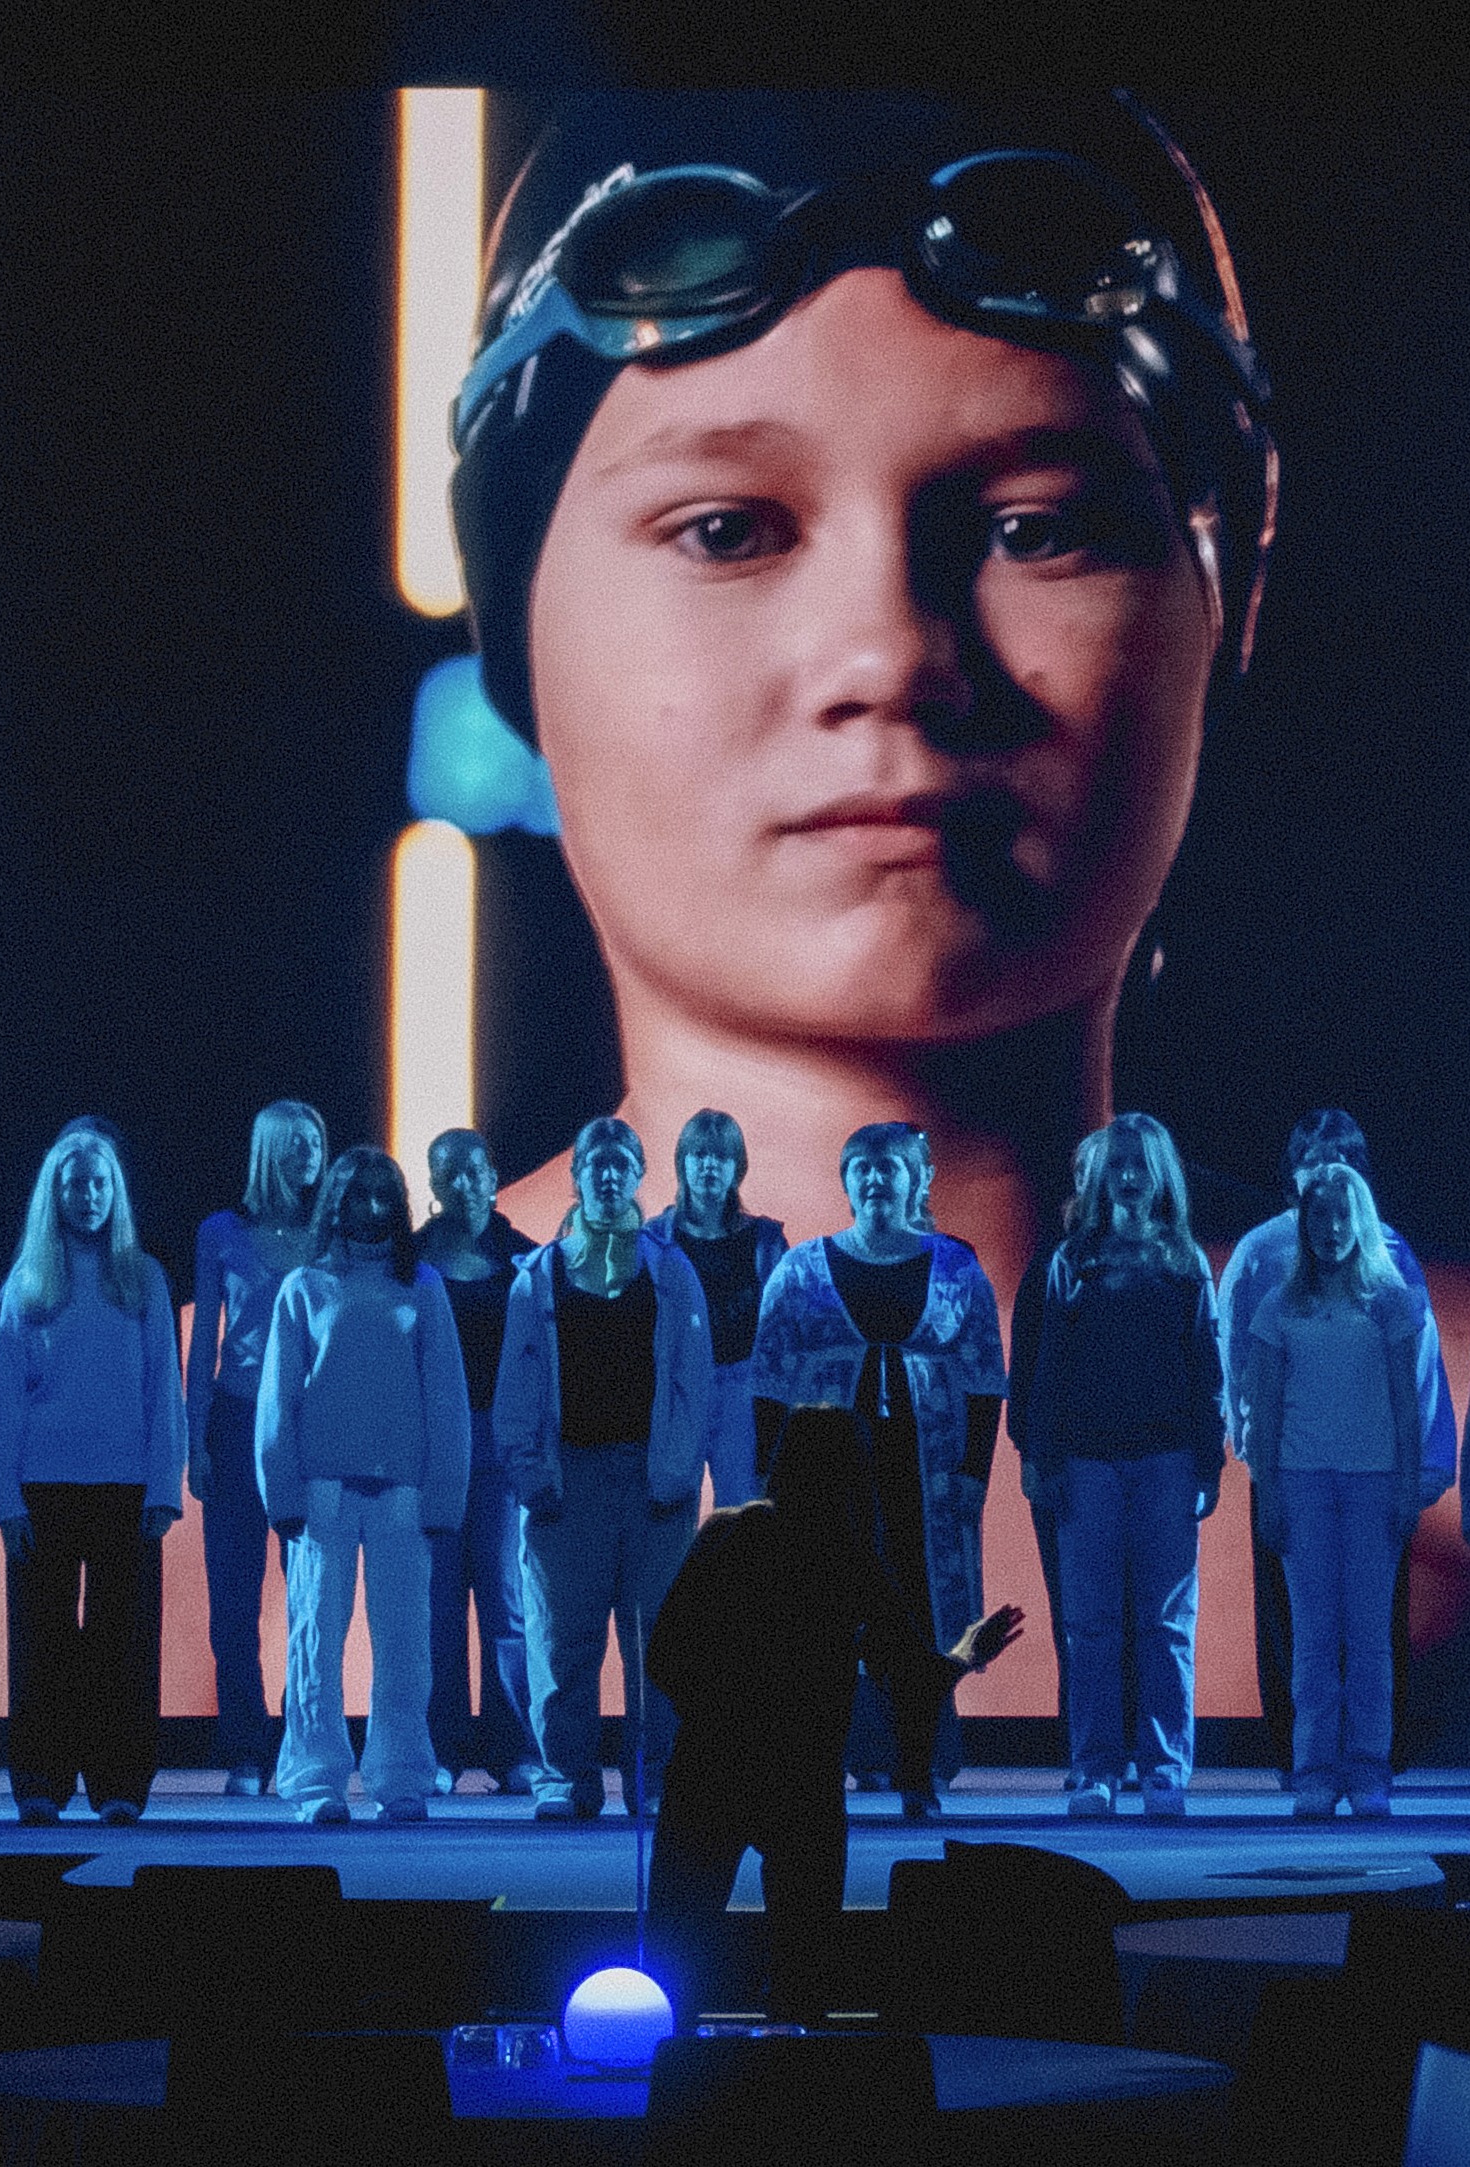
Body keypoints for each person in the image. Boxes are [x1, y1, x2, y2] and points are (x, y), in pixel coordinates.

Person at [443, 104, 1280, 1763]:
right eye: (727, 529)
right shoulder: (193, 1512)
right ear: (511, 622)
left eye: (1036, 524)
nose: (890, 654)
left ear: (1229, 591)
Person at [647, 1479, 1026, 2013]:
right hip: (803, 1780)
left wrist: (720, 1716)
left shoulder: (724, 1536)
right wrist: (962, 1657)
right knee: (803, 1978)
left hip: (710, 1766)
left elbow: (662, 1655)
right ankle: (800, 2086)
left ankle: (668, 2083)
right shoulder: (847, 1560)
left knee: (672, 1960)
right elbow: (911, 1676)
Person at [749, 1122, 1011, 1821]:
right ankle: (827, 1760)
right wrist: (768, 1483)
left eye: (888, 1168)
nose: (875, 1181)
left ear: (914, 1180)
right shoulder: (801, 1269)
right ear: (846, 1182)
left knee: (920, 1617)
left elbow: (987, 1375)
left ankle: (918, 1767)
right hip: (828, 1479)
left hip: (924, 1477)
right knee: (824, 1614)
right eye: (862, 1169)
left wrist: (973, 1472)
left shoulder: (956, 1267)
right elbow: (769, 1383)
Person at [497, 1115, 714, 1821]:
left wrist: (678, 1473)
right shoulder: (539, 1277)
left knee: (660, 1644)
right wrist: (531, 1474)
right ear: (579, 1176)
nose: (610, 1176)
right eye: (598, 1165)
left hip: (653, 1482)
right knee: (564, 1640)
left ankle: (654, 1782)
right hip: (570, 1482)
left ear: (640, 1175)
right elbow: (516, 1388)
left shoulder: (672, 1270)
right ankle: (567, 1777)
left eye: (623, 1164)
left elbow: (693, 1380)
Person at [1223, 1156, 1447, 1819]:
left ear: (1362, 1220)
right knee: (1315, 1637)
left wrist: (1410, 1485)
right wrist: (1268, 1493)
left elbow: (1409, 1407)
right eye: (1318, 1214)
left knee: (1371, 1636)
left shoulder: (1392, 1300)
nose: (1330, 1226)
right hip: (1302, 1484)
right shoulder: (1278, 1304)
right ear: (1303, 1222)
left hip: (1375, 1484)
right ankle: (1315, 1769)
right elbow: (1262, 1409)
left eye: (1342, 1213)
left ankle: (1370, 1770)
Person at [1012, 1111, 1216, 1819]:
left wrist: (1208, 1463)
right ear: (1102, 1175)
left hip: (1166, 1460)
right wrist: (1041, 1454)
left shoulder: (1186, 1261)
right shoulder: (1073, 1259)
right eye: (1118, 1164)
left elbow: (1205, 1371)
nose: (1129, 1175)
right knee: (1091, 1626)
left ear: (1160, 1175)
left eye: (1141, 1164)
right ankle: (1094, 1768)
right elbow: (1049, 1371)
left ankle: (1165, 1769)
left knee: (1165, 1625)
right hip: (1087, 1464)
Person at [0, 1119, 178, 1826]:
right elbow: (3, 1398)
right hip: (44, 1487)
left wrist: (164, 1488)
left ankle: (119, 1783)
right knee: (42, 1641)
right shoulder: (28, 1279)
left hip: (125, 1487)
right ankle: (41, 1780)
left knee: (122, 1644)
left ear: (114, 1191)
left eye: (100, 1183)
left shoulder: (143, 1276)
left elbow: (165, 1392)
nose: (88, 1194)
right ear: (54, 1192)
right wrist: (7, 1499)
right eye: (75, 1183)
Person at [264, 1150, 464, 1824]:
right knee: (315, 1638)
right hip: (322, 1490)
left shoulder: (424, 1286)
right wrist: (281, 1491)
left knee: (406, 1641)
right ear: (337, 1202)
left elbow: (446, 1401)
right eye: (359, 1195)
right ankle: (316, 1779)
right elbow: (278, 1401)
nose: (373, 1208)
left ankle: (403, 1774)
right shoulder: (304, 1287)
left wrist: (444, 1495)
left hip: (403, 1492)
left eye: (385, 1196)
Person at [187, 1101, 326, 1795]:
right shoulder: (222, 1232)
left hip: (312, 1423)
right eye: (294, 1141)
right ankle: (247, 1746)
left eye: (315, 1140)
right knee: (234, 1599)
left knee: (312, 1594)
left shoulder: (332, 1234)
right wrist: (195, 1440)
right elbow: (202, 1343)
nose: (308, 1150)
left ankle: (306, 1741)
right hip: (237, 1419)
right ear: (267, 1148)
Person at [414, 1128, 546, 1800]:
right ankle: (439, 1747)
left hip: (499, 1449)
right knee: (436, 1607)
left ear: (493, 1178)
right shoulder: (408, 1261)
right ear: (432, 1186)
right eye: (447, 1174)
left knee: (505, 1606)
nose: (461, 1185)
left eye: (473, 1172)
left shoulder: (524, 1259)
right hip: (431, 1449)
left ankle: (515, 1749)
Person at [667, 1110, 784, 1512]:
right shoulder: (655, 1240)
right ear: (682, 1162)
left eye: (721, 1156)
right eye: (699, 1155)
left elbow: (784, 1329)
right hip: (677, 1387)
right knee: (672, 1511)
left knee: (744, 1511)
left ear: (738, 1166)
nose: (709, 1166)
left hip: (741, 1387)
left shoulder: (765, 1240)